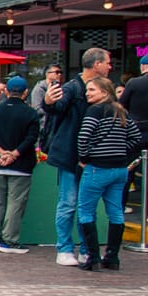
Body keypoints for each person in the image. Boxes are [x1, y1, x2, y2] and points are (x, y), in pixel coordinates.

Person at [42, 48, 112, 266]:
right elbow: (56, 107)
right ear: (96, 64)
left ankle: (86, 248)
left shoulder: (101, 90)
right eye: (107, 62)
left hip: (92, 157)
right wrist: (48, 101)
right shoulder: (72, 88)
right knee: (69, 202)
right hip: (71, 156)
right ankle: (64, 248)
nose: (110, 66)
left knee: (86, 204)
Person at [76, 75, 139, 272]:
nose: (88, 93)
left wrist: (85, 157)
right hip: (119, 170)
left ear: (104, 92)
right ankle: (112, 257)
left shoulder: (94, 111)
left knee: (86, 212)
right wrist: (121, 152)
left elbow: (83, 138)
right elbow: (136, 137)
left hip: (97, 168)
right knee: (116, 213)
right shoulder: (121, 111)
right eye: (87, 90)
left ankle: (93, 257)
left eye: (92, 90)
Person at [0, 77, 39, 255]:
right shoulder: (30, 113)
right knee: (16, 203)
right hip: (21, 164)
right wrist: (13, 154)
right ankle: (10, 240)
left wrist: (2, 153)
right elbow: (31, 139)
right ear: (25, 92)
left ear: (6, 91)